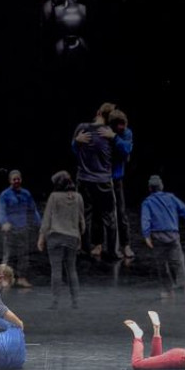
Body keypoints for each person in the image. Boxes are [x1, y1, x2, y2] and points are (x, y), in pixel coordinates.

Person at [72, 102, 120, 259]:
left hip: (84, 179)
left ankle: (85, 249)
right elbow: (121, 154)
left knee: (84, 215)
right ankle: (112, 251)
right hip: (103, 180)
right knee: (109, 216)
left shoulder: (82, 128)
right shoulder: (110, 133)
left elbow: (75, 149)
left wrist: (77, 141)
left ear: (98, 112)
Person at [141, 175, 185, 303]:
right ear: (162, 186)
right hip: (173, 235)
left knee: (162, 265)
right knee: (179, 262)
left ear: (149, 188)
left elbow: (145, 219)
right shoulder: (171, 198)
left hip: (158, 236)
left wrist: (146, 235)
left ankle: (168, 290)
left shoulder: (147, 202)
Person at [37, 170, 85, 309]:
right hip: (72, 237)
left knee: (56, 270)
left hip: (55, 237)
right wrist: (79, 236)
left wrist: (41, 237)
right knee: (72, 269)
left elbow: (47, 219)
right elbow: (82, 221)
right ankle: (75, 301)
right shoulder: (78, 197)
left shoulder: (54, 197)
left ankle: (55, 301)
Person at [91, 109, 134, 258]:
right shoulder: (103, 130)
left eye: (123, 124)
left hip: (116, 178)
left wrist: (114, 137)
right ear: (112, 125)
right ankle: (98, 244)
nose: (122, 127)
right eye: (119, 125)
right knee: (98, 212)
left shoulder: (126, 133)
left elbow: (127, 149)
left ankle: (126, 245)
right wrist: (77, 141)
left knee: (120, 213)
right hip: (101, 178)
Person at [0, 170, 41, 288]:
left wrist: (39, 223)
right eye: (14, 179)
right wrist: (4, 222)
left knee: (23, 255)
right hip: (10, 229)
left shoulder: (26, 194)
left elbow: (33, 209)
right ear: (10, 181)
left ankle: (22, 278)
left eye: (18, 179)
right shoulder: (5, 195)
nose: (16, 181)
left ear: (21, 179)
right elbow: (1, 210)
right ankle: (4, 279)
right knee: (8, 255)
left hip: (23, 227)